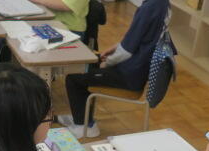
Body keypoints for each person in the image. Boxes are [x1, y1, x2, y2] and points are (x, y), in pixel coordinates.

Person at [59, 0, 170, 139]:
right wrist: (116, 48)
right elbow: (139, 38)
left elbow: (127, 51)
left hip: (129, 74)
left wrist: (107, 63)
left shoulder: (149, 8)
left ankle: (85, 126)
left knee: (74, 77)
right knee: (88, 64)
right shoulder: (162, 4)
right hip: (136, 68)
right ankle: (82, 118)